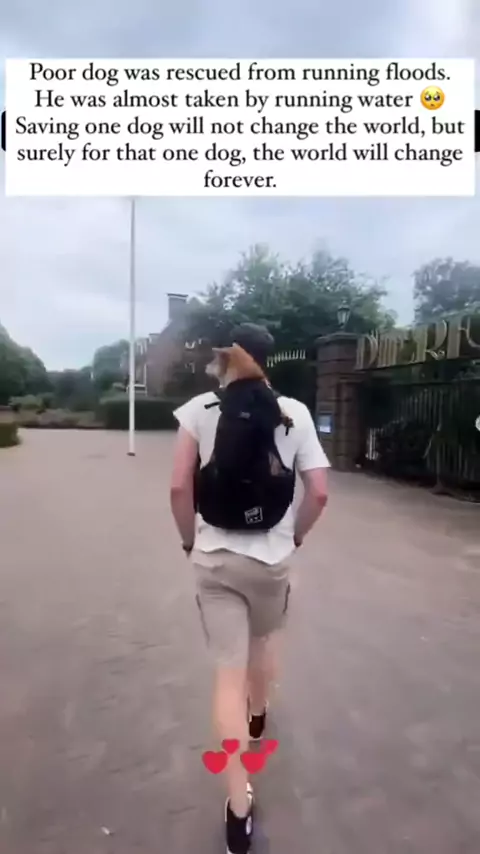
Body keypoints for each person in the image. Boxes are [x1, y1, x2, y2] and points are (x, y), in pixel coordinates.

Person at [170, 323, 329, 854]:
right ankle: (258, 714)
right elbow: (319, 493)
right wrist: (296, 536)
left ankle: (238, 809)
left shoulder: (199, 409)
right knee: (264, 641)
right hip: (271, 560)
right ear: (267, 360)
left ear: (227, 359)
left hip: (215, 560)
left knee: (226, 675)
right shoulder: (294, 412)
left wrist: (189, 541)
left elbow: (179, 486)